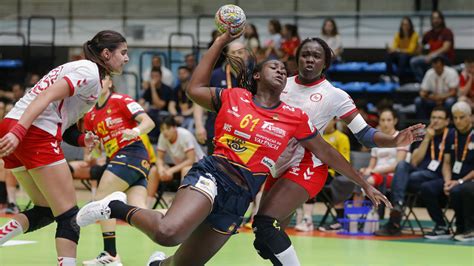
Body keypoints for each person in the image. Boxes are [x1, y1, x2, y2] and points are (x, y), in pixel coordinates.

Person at [76, 30, 390, 266]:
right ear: (256, 76)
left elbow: (327, 153)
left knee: (182, 264)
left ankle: (158, 263)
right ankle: (117, 207)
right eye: (273, 67)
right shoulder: (234, 97)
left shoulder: (294, 117)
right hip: (213, 175)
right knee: (169, 233)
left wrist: (364, 182)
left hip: (240, 196)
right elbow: (194, 89)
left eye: (284, 69)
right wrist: (220, 42)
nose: (281, 70)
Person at [251, 37, 425, 265]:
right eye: (305, 55)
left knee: (265, 223)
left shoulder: (334, 95)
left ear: (325, 63)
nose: (310, 60)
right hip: (276, 166)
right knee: (265, 242)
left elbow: (365, 134)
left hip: (308, 166)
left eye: (316, 56)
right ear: (297, 59)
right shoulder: (282, 84)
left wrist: (394, 140)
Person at [0, 30, 128, 266]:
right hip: (32, 130)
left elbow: (65, 124)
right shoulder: (89, 71)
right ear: (107, 53)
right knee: (69, 217)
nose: (126, 58)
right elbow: (47, 96)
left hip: (16, 123)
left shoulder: (85, 72)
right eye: (123, 52)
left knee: (45, 209)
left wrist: (82, 140)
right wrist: (20, 131)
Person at [82, 75, 155, 265]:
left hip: (132, 153)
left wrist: (136, 131)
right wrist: (91, 150)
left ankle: (110, 254)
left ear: (109, 83)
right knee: (140, 211)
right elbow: (96, 147)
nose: (99, 84)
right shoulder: (89, 115)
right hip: (119, 158)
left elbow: (149, 122)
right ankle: (186, 218)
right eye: (94, 81)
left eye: (102, 80)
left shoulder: (121, 100)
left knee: (102, 199)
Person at [375, 106, 451, 237]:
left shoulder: (450, 135)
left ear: (447, 121)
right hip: (419, 173)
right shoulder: (423, 135)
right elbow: (414, 161)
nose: (436, 121)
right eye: (433, 117)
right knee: (402, 165)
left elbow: (448, 163)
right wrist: (427, 138)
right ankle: (398, 205)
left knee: (398, 180)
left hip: (437, 176)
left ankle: (394, 219)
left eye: (440, 118)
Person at [295, 117, 352, 232]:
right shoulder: (316, 136)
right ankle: (301, 217)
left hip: (331, 174)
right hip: (311, 170)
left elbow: (345, 162)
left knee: (309, 179)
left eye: (328, 119)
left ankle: (307, 220)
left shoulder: (342, 138)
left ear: (335, 120)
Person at [194, 41, 249, 155]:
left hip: (245, 133)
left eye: (241, 52)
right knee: (215, 168)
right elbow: (199, 101)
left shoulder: (254, 76)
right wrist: (199, 126)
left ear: (246, 55)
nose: (238, 55)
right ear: (227, 56)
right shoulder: (215, 75)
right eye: (234, 52)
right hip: (216, 130)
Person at [353, 109, 409, 204]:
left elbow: (397, 166)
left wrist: (374, 171)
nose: (385, 123)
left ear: (395, 121)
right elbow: (372, 165)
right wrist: (366, 170)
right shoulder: (376, 139)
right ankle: (355, 215)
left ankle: (373, 212)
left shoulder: (402, 138)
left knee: (368, 181)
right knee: (358, 179)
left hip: (392, 176)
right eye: (382, 120)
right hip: (375, 174)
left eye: (388, 120)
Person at [441, 101, 473, 241]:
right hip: (455, 180)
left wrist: (460, 181)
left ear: (470, 117)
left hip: (469, 180)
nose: (458, 121)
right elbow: (446, 162)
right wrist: (448, 181)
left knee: (464, 189)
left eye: (462, 117)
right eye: (455, 117)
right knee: (429, 187)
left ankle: (470, 228)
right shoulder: (451, 135)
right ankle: (451, 227)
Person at [410, 10, 455, 82]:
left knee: (435, 60)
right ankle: (422, 83)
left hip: (445, 58)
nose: (435, 20)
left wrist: (432, 55)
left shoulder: (447, 32)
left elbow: (446, 48)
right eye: (433, 18)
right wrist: (418, 50)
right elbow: (420, 46)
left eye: (437, 18)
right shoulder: (429, 33)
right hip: (431, 58)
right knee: (414, 61)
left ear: (441, 20)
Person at [385, 17, 419, 82]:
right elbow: (394, 47)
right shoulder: (397, 35)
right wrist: (391, 49)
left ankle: (398, 77)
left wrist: (398, 50)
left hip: (410, 56)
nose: (405, 26)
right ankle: (389, 76)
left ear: (410, 26)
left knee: (403, 55)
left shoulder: (414, 35)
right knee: (388, 54)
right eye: (403, 24)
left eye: (407, 24)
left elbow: (410, 50)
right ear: (401, 26)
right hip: (400, 56)